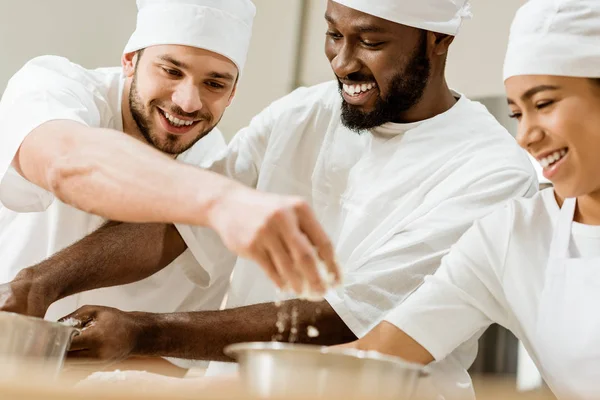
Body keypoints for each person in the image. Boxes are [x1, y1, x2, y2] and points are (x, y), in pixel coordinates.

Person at [1, 0, 538, 397]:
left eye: (370, 42)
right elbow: (181, 226)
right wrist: (42, 282)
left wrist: (142, 332)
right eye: (333, 35)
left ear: (437, 40)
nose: (342, 63)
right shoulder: (304, 112)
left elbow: (352, 319)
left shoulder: (491, 171)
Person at [0, 0, 338, 323]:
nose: (188, 102)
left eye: (214, 84)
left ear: (232, 93)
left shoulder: (214, 166)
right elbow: (66, 163)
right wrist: (221, 201)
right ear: (130, 60)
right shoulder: (55, 88)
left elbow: (174, 359)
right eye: (171, 71)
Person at [345, 1, 600, 399]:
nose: (527, 136)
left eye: (544, 104)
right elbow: (375, 357)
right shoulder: (512, 237)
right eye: (518, 114)